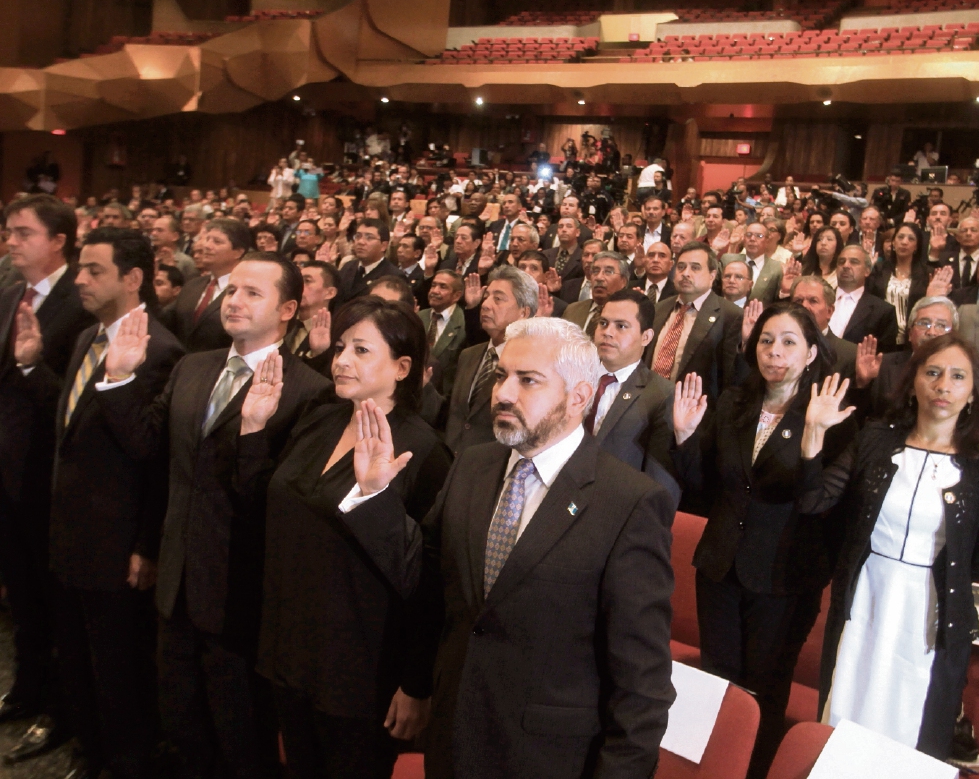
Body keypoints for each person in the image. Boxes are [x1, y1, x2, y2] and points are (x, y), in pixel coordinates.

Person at [341, 316, 676, 779]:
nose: (502, 393)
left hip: (546, 759)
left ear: (579, 396)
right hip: (453, 736)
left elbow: (642, 686)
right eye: (501, 375)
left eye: (528, 380)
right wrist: (375, 497)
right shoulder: (473, 465)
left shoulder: (629, 502)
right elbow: (425, 581)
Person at [96, 252, 331, 779]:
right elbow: (148, 448)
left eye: (253, 293)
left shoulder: (310, 392)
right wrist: (118, 378)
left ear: (289, 308)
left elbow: (281, 503)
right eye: (231, 291)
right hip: (177, 579)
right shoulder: (193, 365)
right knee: (182, 721)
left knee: (241, 731)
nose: (236, 302)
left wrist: (253, 432)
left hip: (242, 593)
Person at [237, 296, 452, 778]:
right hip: (290, 646)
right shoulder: (322, 416)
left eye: (360, 350)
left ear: (402, 367)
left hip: (360, 667)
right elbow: (265, 509)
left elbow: (431, 581)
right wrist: (252, 428)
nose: (341, 361)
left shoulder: (423, 450)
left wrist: (417, 683)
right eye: (339, 348)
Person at [799, 334, 979, 758]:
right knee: (848, 698)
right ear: (913, 380)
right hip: (867, 594)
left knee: (915, 716)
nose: (943, 386)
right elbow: (814, 501)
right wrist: (813, 434)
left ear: (973, 392)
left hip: (931, 608)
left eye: (957, 376)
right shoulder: (875, 439)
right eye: (932, 372)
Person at [673, 301, 853, 777]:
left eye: (789, 342)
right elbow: (702, 485)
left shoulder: (832, 413)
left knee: (764, 687)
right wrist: (686, 436)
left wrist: (814, 435)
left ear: (812, 352)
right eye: (767, 341)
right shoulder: (734, 401)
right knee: (718, 681)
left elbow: (820, 502)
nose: (775, 351)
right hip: (721, 566)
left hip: (784, 573)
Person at [41, 227, 183, 779]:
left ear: (133, 278)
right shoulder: (85, 337)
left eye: (93, 270)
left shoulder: (162, 350)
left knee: (118, 668)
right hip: (72, 533)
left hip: (118, 546)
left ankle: (127, 760)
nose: (79, 279)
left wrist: (145, 544)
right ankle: (89, 750)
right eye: (79, 268)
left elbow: (156, 460)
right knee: (76, 658)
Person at [0, 195, 95, 761]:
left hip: (51, 477)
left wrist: (34, 365)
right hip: (7, 469)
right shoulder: (11, 291)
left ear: (58, 239)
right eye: (8, 233)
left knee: (55, 600)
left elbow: (71, 403)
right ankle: (27, 686)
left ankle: (62, 705)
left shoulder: (80, 301)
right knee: (22, 593)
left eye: (23, 233)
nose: (11, 242)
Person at [589, 289, 679, 506]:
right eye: (603, 323)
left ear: (646, 337)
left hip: (613, 510)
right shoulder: (574, 378)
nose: (607, 332)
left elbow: (659, 485)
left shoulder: (661, 394)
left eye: (621, 326)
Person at [441, 265, 537, 456]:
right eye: (487, 296)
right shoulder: (468, 355)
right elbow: (452, 413)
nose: (485, 304)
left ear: (523, 313)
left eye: (498, 299)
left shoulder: (531, 366)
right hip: (449, 461)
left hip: (491, 468)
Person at [645, 243, 743, 399]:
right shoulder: (659, 309)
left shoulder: (731, 315)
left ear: (712, 275)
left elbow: (730, 378)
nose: (686, 273)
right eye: (681, 267)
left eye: (695, 268)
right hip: (649, 404)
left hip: (696, 412)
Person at [854, 296, 958, 420]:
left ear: (954, 335)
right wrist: (862, 384)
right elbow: (860, 418)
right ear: (910, 334)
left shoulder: (962, 372)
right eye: (924, 323)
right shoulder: (884, 364)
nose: (932, 332)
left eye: (941, 325)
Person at [866, 223, 951, 347]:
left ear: (916, 246)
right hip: (882, 336)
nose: (904, 242)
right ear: (893, 243)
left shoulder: (926, 273)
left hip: (912, 338)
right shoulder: (879, 269)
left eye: (911, 239)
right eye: (900, 237)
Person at [173, 218, 250, 353]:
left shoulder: (247, 292)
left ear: (238, 252)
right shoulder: (192, 285)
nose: (207, 246)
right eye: (207, 239)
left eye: (217, 241)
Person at [827, 245, 898, 347]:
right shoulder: (818, 299)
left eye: (854, 262)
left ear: (867, 271)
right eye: (841, 262)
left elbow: (885, 356)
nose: (846, 265)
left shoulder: (883, 311)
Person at [289, 261, 339, 374]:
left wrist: (319, 354)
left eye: (307, 281)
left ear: (330, 293)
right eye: (298, 281)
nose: (299, 286)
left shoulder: (336, 332)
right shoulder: (285, 324)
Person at [339, 219, 401, 307]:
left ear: (383, 246)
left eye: (369, 238)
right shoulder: (348, 266)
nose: (361, 242)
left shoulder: (393, 276)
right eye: (358, 236)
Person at [562, 252, 626, 336]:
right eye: (595, 271)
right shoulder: (572, 310)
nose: (599, 277)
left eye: (608, 272)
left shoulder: (628, 315)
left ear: (623, 282)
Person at [721, 221, 783, 303]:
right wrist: (714, 249)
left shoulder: (777, 268)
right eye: (748, 235)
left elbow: (778, 301)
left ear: (767, 241)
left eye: (759, 236)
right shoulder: (727, 260)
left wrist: (785, 291)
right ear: (744, 239)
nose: (752, 239)